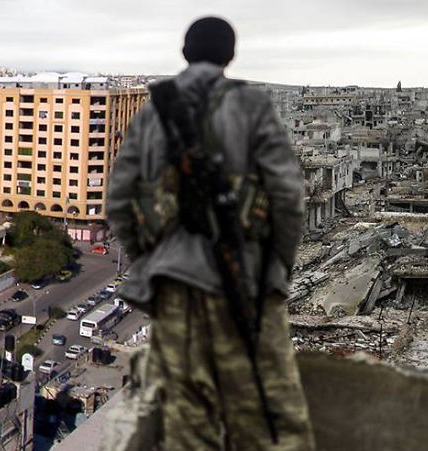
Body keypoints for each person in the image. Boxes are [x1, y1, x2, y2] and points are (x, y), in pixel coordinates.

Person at [105, 16, 315, 451]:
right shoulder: (252, 105)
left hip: (176, 283)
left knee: (187, 418)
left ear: (185, 53)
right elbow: (288, 195)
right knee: (270, 410)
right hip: (247, 277)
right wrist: (276, 266)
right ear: (230, 56)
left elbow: (119, 201)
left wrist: (151, 259)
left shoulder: (153, 111)